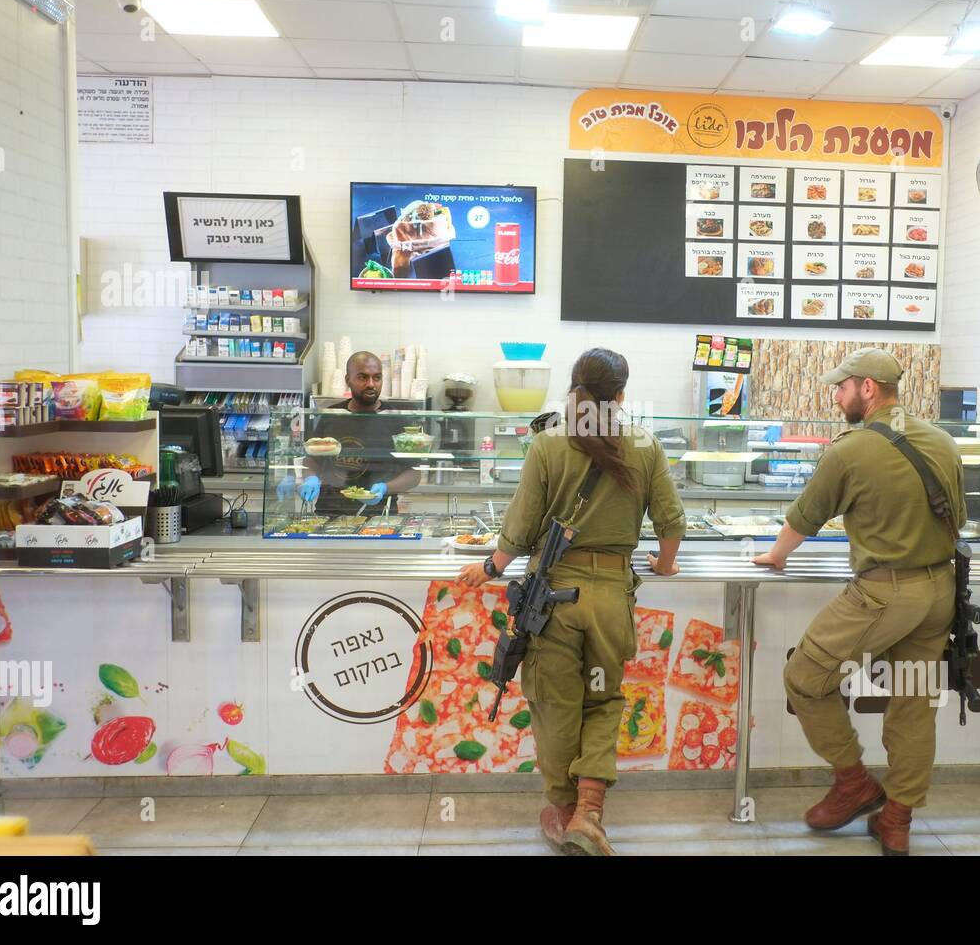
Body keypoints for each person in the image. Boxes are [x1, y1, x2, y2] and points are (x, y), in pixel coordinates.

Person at [456, 348, 685, 856]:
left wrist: (489, 567)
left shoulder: (548, 445)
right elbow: (672, 524)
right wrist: (665, 565)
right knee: (602, 699)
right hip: (609, 597)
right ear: (622, 395)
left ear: (572, 387)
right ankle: (590, 811)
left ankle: (563, 810)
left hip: (553, 597)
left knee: (555, 704)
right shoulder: (645, 445)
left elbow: (518, 530)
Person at [752, 347, 966, 856]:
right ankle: (897, 820)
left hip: (884, 594)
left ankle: (853, 782)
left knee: (804, 678)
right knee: (914, 706)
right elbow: (957, 515)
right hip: (940, 592)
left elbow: (806, 517)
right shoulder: (941, 440)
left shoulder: (849, 449)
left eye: (842, 386)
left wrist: (775, 555)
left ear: (867, 388)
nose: (836, 394)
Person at [279, 351, 421, 515]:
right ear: (348, 380)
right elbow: (313, 460)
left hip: (379, 515)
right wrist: (311, 478)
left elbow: (414, 474)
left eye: (377, 377)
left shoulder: (396, 419)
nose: (371, 384)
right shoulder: (330, 415)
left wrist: (385, 488)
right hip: (330, 512)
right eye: (362, 377)